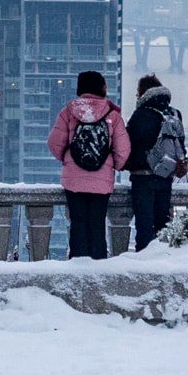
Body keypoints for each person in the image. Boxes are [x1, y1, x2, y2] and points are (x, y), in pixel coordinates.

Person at [47, 70, 130, 259]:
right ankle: (98, 268)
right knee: (97, 224)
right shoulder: (112, 115)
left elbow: (54, 143)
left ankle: (77, 266)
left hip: (73, 179)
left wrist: (68, 159)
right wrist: (113, 165)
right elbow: (123, 149)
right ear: (101, 88)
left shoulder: (68, 112)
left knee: (78, 223)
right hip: (102, 179)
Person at [126, 74, 188, 251]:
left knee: (144, 226)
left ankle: (145, 267)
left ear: (142, 93)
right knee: (163, 225)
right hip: (166, 174)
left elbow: (131, 143)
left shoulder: (141, 115)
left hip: (143, 177)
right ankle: (163, 261)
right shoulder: (174, 113)